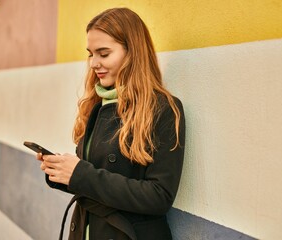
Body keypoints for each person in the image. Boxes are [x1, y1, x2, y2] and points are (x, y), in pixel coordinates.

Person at [37, 7, 185, 240]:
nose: (94, 63)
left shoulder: (163, 108)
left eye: (103, 54)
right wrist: (62, 172)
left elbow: (159, 196)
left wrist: (80, 174)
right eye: (91, 54)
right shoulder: (97, 105)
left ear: (132, 53)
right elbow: (97, 181)